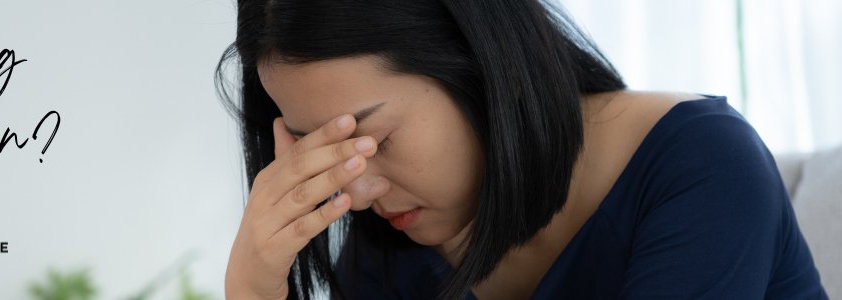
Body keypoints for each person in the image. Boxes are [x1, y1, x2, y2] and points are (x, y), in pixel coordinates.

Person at [216, 0, 829, 299]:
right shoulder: (391, 254)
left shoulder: (702, 168)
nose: (354, 190)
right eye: (321, 151)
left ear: (476, 64)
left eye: (375, 138)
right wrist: (253, 290)